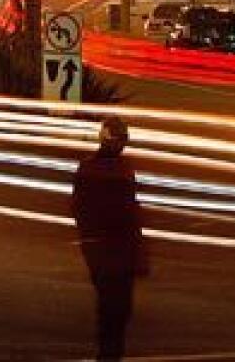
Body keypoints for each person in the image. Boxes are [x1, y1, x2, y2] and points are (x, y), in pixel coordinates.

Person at [71, 116, 147, 361]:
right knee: (117, 311)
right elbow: (130, 213)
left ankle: (109, 354)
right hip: (115, 250)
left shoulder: (92, 168)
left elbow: (80, 210)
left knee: (111, 310)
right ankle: (110, 355)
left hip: (103, 250)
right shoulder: (120, 170)